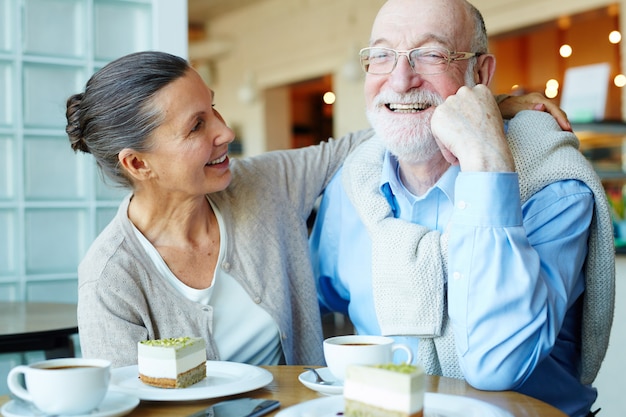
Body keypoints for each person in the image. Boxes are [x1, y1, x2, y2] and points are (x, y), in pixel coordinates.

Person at [67, 50, 572, 370]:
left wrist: (486, 106)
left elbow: (367, 142)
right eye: (197, 126)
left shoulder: (259, 183)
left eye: (214, 108)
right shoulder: (111, 278)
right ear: (137, 163)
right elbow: (120, 406)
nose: (225, 131)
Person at [308, 1, 614, 417]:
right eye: (382, 55)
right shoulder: (353, 186)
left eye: (431, 55)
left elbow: (497, 365)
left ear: (482, 74)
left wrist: (487, 162)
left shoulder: (552, 185)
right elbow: (316, 302)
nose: (400, 80)